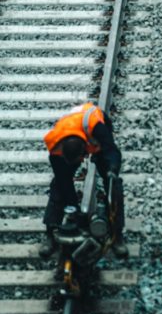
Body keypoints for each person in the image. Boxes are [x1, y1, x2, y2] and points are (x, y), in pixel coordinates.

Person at [41, 103, 127, 259]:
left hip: (93, 129)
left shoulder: (97, 127)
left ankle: (117, 235)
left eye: (82, 158)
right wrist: (74, 208)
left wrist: (112, 170)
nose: (82, 162)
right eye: (79, 161)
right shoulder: (55, 145)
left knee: (113, 184)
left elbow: (112, 150)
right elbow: (63, 180)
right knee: (59, 185)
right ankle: (50, 232)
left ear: (85, 149)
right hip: (73, 138)